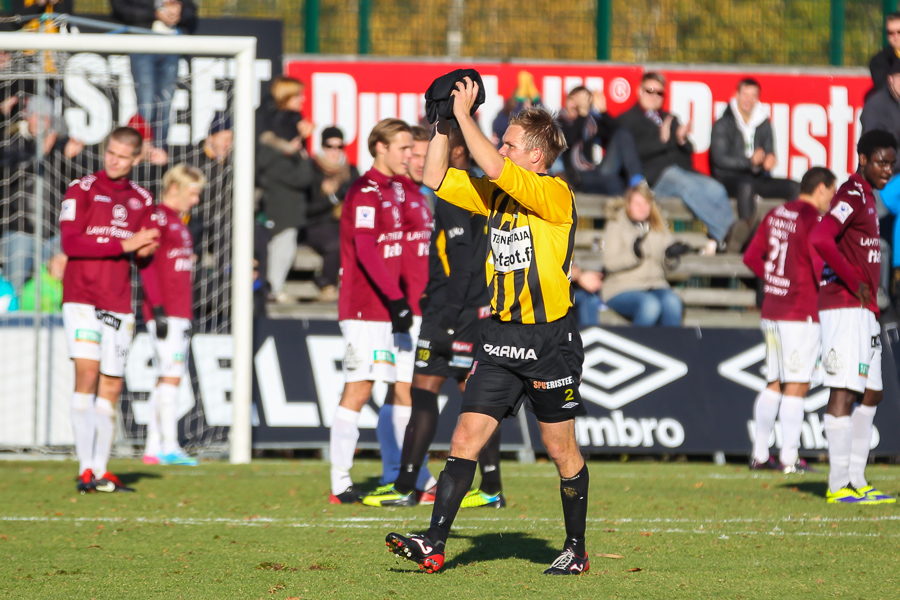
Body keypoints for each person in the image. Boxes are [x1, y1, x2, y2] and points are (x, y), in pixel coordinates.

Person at [386, 77, 589, 576]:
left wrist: (466, 115)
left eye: (511, 143)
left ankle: (576, 549)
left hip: (549, 340)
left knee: (560, 449)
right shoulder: (496, 194)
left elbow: (494, 164)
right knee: (464, 438)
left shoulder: (555, 194)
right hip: (500, 337)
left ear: (536, 157)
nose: (499, 149)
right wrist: (441, 124)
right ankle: (434, 542)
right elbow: (435, 176)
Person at [363, 127, 505, 510]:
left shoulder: (454, 198)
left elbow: (460, 267)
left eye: (431, 153)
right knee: (471, 401)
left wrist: (447, 318)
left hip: (452, 314)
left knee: (424, 393)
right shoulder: (477, 191)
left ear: (456, 151)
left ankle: (406, 485)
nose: (423, 161)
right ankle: (491, 487)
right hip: (471, 311)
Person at [61, 126, 162, 494]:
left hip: (118, 302)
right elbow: (71, 241)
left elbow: (142, 251)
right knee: (86, 375)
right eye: (110, 153)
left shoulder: (141, 198)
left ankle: (102, 470)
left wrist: (145, 248)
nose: (114, 161)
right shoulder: (82, 188)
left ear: (136, 159)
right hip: (82, 298)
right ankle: (85, 468)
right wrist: (125, 242)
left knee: (112, 383)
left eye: (122, 156)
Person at [328, 118, 414, 504]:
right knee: (360, 388)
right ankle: (340, 482)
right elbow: (365, 251)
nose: (409, 155)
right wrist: (396, 299)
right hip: (365, 306)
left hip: (388, 305)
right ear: (380, 147)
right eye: (403, 148)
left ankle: (395, 473)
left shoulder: (396, 189)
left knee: (396, 387)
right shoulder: (364, 191)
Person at [810, 129, 897, 505]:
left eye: (892, 163)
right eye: (881, 161)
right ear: (863, 159)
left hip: (865, 309)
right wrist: (853, 280)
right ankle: (837, 484)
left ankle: (857, 479)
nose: (888, 169)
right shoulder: (851, 192)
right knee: (843, 391)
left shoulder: (869, 198)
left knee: (872, 391)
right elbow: (821, 237)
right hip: (844, 306)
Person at [742, 167, 837, 473]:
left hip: (772, 310)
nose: (832, 200)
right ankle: (789, 458)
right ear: (820, 188)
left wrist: (774, 279)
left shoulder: (777, 213)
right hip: (801, 312)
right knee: (797, 386)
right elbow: (821, 265)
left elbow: (751, 257)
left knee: (775, 383)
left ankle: (759, 455)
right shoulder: (814, 220)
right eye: (832, 192)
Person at [372, 125, 436, 495]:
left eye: (425, 155)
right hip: (401, 306)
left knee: (402, 391)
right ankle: (407, 474)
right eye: (414, 153)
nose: (419, 160)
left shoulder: (418, 195)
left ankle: (395, 471)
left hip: (420, 305)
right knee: (404, 390)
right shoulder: (392, 194)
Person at [617, 72, 739, 254]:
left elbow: (686, 156)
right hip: (654, 177)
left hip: (679, 171)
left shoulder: (669, 118)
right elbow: (631, 155)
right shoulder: (627, 120)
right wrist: (661, 140)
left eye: (659, 93)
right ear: (639, 91)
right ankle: (730, 234)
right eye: (650, 91)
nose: (654, 96)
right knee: (687, 186)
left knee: (716, 189)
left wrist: (681, 140)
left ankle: (723, 238)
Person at [141, 164, 206, 467]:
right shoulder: (158, 217)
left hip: (179, 310)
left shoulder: (179, 222)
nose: (196, 200)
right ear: (175, 188)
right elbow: (147, 264)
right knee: (171, 377)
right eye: (193, 193)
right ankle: (169, 445)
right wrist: (157, 308)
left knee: (165, 378)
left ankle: (153, 448)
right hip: (166, 312)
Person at [1, 95, 83, 293]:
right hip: (20, 231)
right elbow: (9, 172)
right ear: (27, 117)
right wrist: (40, 153)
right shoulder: (13, 141)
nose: (40, 122)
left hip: (53, 234)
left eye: (45, 118)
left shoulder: (60, 145)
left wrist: (72, 157)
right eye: (36, 116)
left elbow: (76, 182)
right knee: (16, 288)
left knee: (58, 285)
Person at [710, 78, 800, 227]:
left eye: (753, 96)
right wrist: (749, 161)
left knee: (795, 188)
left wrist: (769, 160)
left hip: (757, 177)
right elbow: (720, 160)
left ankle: (789, 234)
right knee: (746, 185)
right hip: (729, 179)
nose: (748, 100)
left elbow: (769, 151)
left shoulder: (763, 122)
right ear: (737, 95)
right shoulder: (723, 124)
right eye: (745, 95)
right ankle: (747, 239)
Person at [111, 0, 197, 155]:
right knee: (146, 105)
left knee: (165, 106)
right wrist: (155, 12)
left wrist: (179, 12)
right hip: (142, 43)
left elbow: (191, 10)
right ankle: (141, 156)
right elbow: (119, 7)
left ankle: (158, 156)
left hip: (172, 46)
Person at [257, 78, 316, 304]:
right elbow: (275, 160)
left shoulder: (293, 120)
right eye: (297, 96)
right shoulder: (268, 120)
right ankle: (271, 286)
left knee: (284, 242)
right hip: (273, 196)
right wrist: (294, 149)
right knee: (279, 242)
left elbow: (298, 158)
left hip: (287, 197)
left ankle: (273, 286)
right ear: (284, 97)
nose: (303, 99)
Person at [600, 181, 687, 327]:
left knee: (673, 302)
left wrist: (670, 256)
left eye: (646, 204)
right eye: (637, 203)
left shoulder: (658, 227)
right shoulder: (616, 225)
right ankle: (638, 345)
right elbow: (609, 263)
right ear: (628, 204)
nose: (642, 208)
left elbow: (667, 266)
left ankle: (670, 347)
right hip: (622, 288)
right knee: (650, 305)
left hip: (655, 285)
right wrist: (634, 255)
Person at [558, 85, 643, 195]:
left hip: (595, 170)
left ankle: (637, 182)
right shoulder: (558, 122)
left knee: (623, 134)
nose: (577, 105)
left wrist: (603, 111)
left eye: (583, 101)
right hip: (575, 175)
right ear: (566, 101)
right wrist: (582, 114)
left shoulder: (591, 123)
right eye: (574, 100)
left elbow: (617, 132)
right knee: (611, 181)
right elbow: (569, 140)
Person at [308, 126, 358, 302]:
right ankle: (326, 283)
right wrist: (332, 198)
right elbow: (307, 209)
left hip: (345, 222)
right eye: (330, 146)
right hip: (318, 224)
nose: (335, 152)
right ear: (322, 146)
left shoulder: (351, 171)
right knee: (336, 243)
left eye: (339, 147)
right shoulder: (312, 170)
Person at [869, 12, 900, 90]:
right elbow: (886, 90)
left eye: (899, 32)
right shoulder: (880, 60)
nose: (895, 37)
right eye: (891, 33)